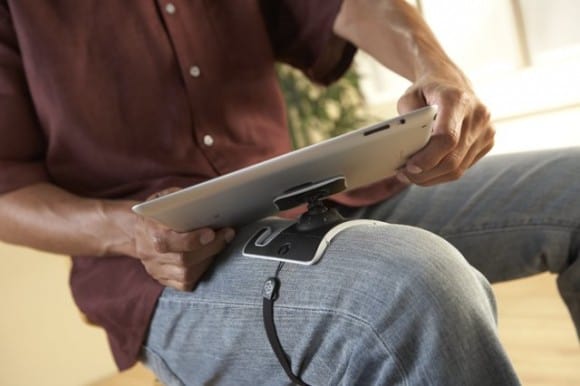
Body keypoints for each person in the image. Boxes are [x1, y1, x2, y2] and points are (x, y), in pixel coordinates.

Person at [0, 0, 578, 384]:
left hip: (303, 196)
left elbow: (354, 5)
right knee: (409, 288)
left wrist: (438, 71)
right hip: (166, 266)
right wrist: (130, 230)